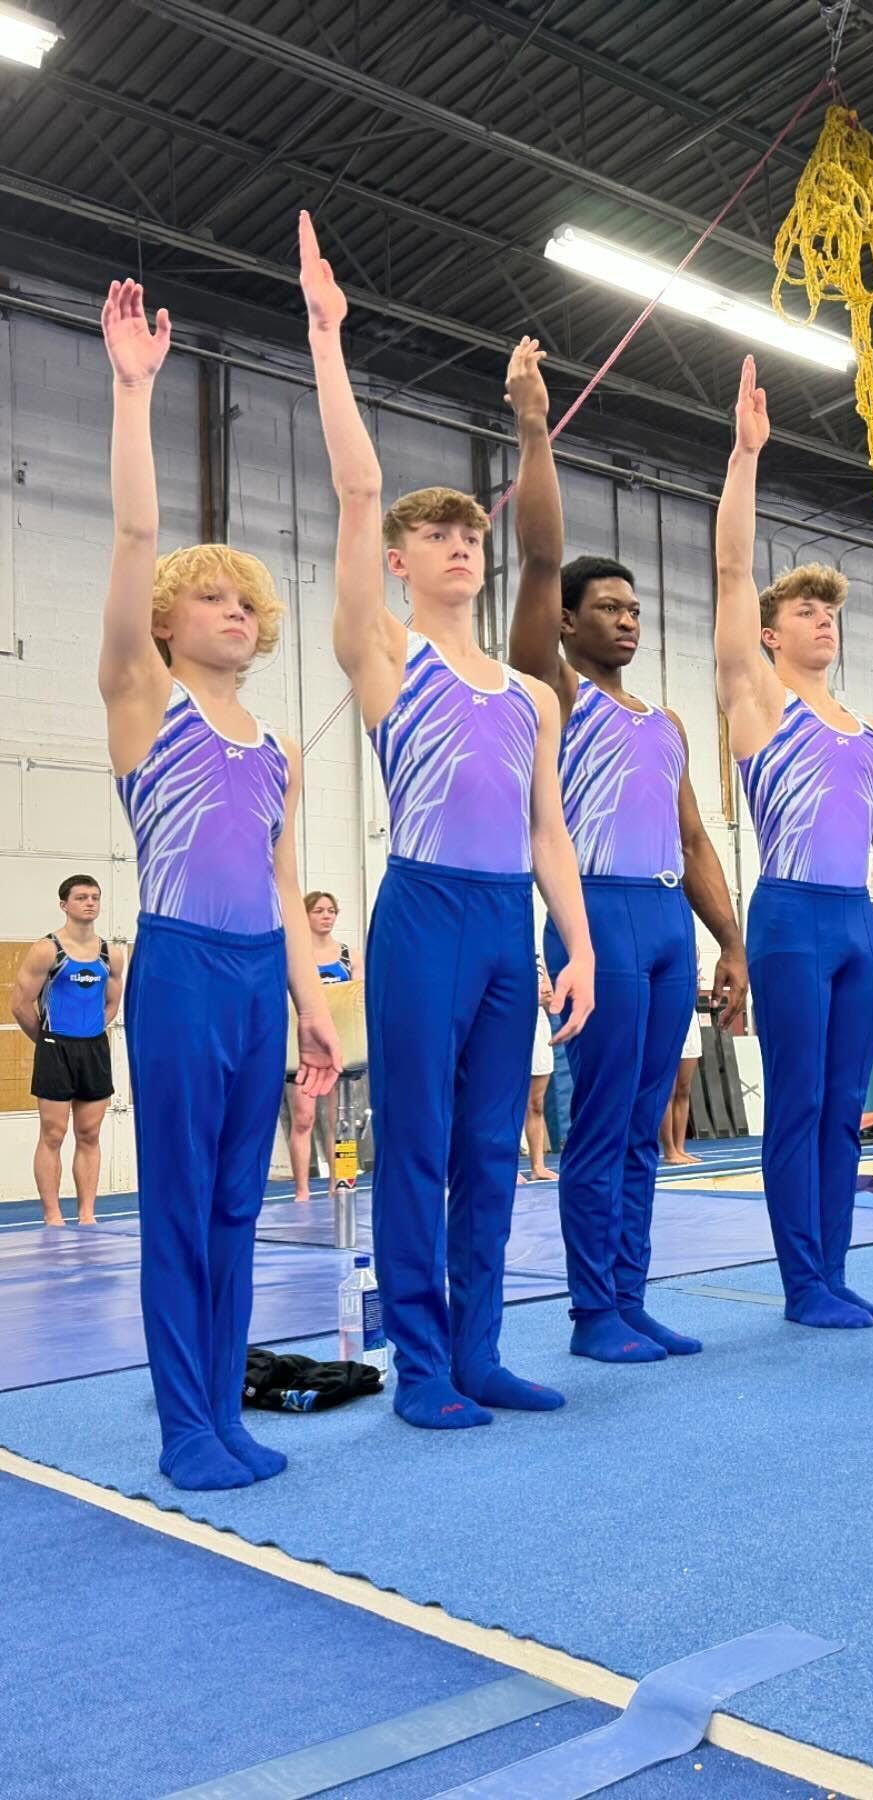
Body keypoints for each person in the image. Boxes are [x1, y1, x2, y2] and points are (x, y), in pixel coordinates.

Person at [301, 213, 595, 1428]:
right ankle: (419, 1364)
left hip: (503, 920)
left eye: (473, 535)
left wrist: (571, 943)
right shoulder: (386, 658)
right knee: (415, 1148)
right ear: (404, 564)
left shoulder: (532, 694)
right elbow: (360, 483)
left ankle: (477, 1351)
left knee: (492, 1151)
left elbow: (548, 835)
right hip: (421, 908)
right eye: (441, 537)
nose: (464, 549)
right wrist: (327, 339)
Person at [99, 278, 342, 1491]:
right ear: (163, 620)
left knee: (241, 1208)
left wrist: (314, 1007)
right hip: (185, 965)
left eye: (248, 599)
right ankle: (184, 1424)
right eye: (211, 595)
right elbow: (136, 540)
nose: (234, 610)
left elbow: (288, 877)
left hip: (259, 977)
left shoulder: (277, 745)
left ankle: (227, 1406)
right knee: (183, 1204)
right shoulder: (145, 703)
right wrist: (134, 395)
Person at [507, 353, 748, 1364]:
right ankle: (591, 1313)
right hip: (594, 914)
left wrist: (731, 943)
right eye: (608, 607)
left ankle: (633, 1297)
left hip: (662, 922)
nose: (628, 618)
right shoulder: (552, 690)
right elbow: (537, 558)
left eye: (636, 608)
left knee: (649, 1121)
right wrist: (533, 432)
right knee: (600, 1125)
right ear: (566, 623)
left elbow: (694, 840)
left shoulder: (668, 722)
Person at [714, 356, 873, 1330]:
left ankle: (835, 1273)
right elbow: (727, 569)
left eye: (833, 612)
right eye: (805, 610)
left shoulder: (866, 731)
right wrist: (746, 455)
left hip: (856, 923)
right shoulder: (757, 702)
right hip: (792, 915)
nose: (824, 622)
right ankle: (803, 1285)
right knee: (797, 1104)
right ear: (767, 632)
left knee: (845, 1110)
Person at [10, 874, 124, 1226]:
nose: (90, 902)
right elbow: (20, 1004)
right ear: (64, 905)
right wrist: (46, 1042)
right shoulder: (48, 950)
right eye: (81, 897)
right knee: (53, 1133)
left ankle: (87, 1214)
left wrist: (88, 1034)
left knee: (89, 1134)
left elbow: (111, 1006)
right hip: (54, 1046)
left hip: (93, 1049)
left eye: (94, 897)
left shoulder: (111, 954)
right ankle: (53, 1215)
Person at [287, 890, 360, 1204]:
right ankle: (302, 1189)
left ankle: (340, 1182)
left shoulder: (349, 956)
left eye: (331, 910)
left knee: (341, 1118)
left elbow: (358, 999)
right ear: (305, 915)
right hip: (302, 1046)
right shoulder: (294, 957)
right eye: (319, 910)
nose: (326, 916)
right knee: (303, 1118)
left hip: (341, 1043)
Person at [522, 959, 558, 1183]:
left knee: (536, 1104)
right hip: (507, 1024)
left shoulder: (539, 951)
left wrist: (549, 996)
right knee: (503, 1105)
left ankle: (538, 1166)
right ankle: (505, 1167)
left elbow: (549, 997)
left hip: (538, 1026)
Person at [661, 995, 704, 1167]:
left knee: (684, 1089)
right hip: (665, 1014)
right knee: (667, 1091)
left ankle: (680, 1148)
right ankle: (669, 1150)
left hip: (689, 1017)